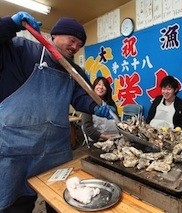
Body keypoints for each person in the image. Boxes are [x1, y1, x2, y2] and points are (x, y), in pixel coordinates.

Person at [0, 12, 116, 212]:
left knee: (60, 200)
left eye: (80, 44)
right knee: (17, 204)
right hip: (16, 148)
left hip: (53, 150)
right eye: (72, 40)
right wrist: (10, 24)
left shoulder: (74, 71)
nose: (75, 47)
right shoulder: (22, 50)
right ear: (55, 35)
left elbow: (82, 97)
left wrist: (95, 107)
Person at [82, 77, 120, 142]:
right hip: (99, 141)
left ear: (107, 89)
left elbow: (117, 121)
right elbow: (87, 127)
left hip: (116, 138)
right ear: (94, 87)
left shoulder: (111, 104)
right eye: (99, 84)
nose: (101, 87)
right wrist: (105, 137)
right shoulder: (88, 104)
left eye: (104, 85)